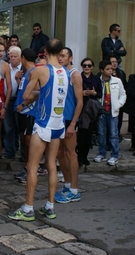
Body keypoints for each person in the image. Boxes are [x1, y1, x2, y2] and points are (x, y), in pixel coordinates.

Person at [8, 39, 69, 221]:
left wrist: (39, 92)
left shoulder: (40, 70)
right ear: (59, 53)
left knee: (32, 166)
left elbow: (26, 95)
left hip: (43, 123)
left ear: (44, 52)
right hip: (58, 124)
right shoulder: (65, 72)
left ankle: (28, 208)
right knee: (51, 165)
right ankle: (49, 206)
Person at [54, 47, 84, 204]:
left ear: (70, 58)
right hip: (58, 119)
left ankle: (74, 189)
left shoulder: (75, 74)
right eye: (59, 55)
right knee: (59, 153)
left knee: (71, 152)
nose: (60, 58)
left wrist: (73, 123)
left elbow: (80, 102)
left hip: (68, 119)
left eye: (64, 56)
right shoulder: (59, 73)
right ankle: (66, 184)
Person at [93, 60, 126, 166]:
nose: (110, 71)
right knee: (101, 134)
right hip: (101, 111)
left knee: (113, 134)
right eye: (108, 69)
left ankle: (114, 155)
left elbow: (123, 94)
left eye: (111, 69)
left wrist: (118, 104)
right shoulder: (97, 80)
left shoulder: (117, 80)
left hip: (113, 111)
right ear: (101, 70)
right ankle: (101, 153)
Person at [13, 48, 37, 183]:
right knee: (24, 142)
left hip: (29, 112)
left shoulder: (33, 72)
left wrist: (23, 105)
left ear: (23, 58)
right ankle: (27, 168)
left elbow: (36, 92)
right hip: (23, 111)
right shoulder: (26, 73)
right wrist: (18, 80)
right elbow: (24, 90)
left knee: (29, 142)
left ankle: (31, 169)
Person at [77, 58, 102, 166]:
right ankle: (79, 157)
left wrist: (93, 93)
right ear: (82, 66)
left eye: (89, 65)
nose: (87, 67)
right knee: (81, 134)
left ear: (92, 67)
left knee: (89, 134)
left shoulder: (96, 79)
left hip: (92, 109)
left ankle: (85, 156)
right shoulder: (78, 77)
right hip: (81, 107)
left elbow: (100, 94)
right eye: (84, 65)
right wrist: (82, 93)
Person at [109, 55, 127, 140]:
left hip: (119, 102)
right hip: (108, 103)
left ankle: (116, 139)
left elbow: (125, 88)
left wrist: (121, 102)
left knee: (118, 121)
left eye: (116, 62)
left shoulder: (121, 73)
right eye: (112, 62)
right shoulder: (103, 74)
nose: (114, 64)